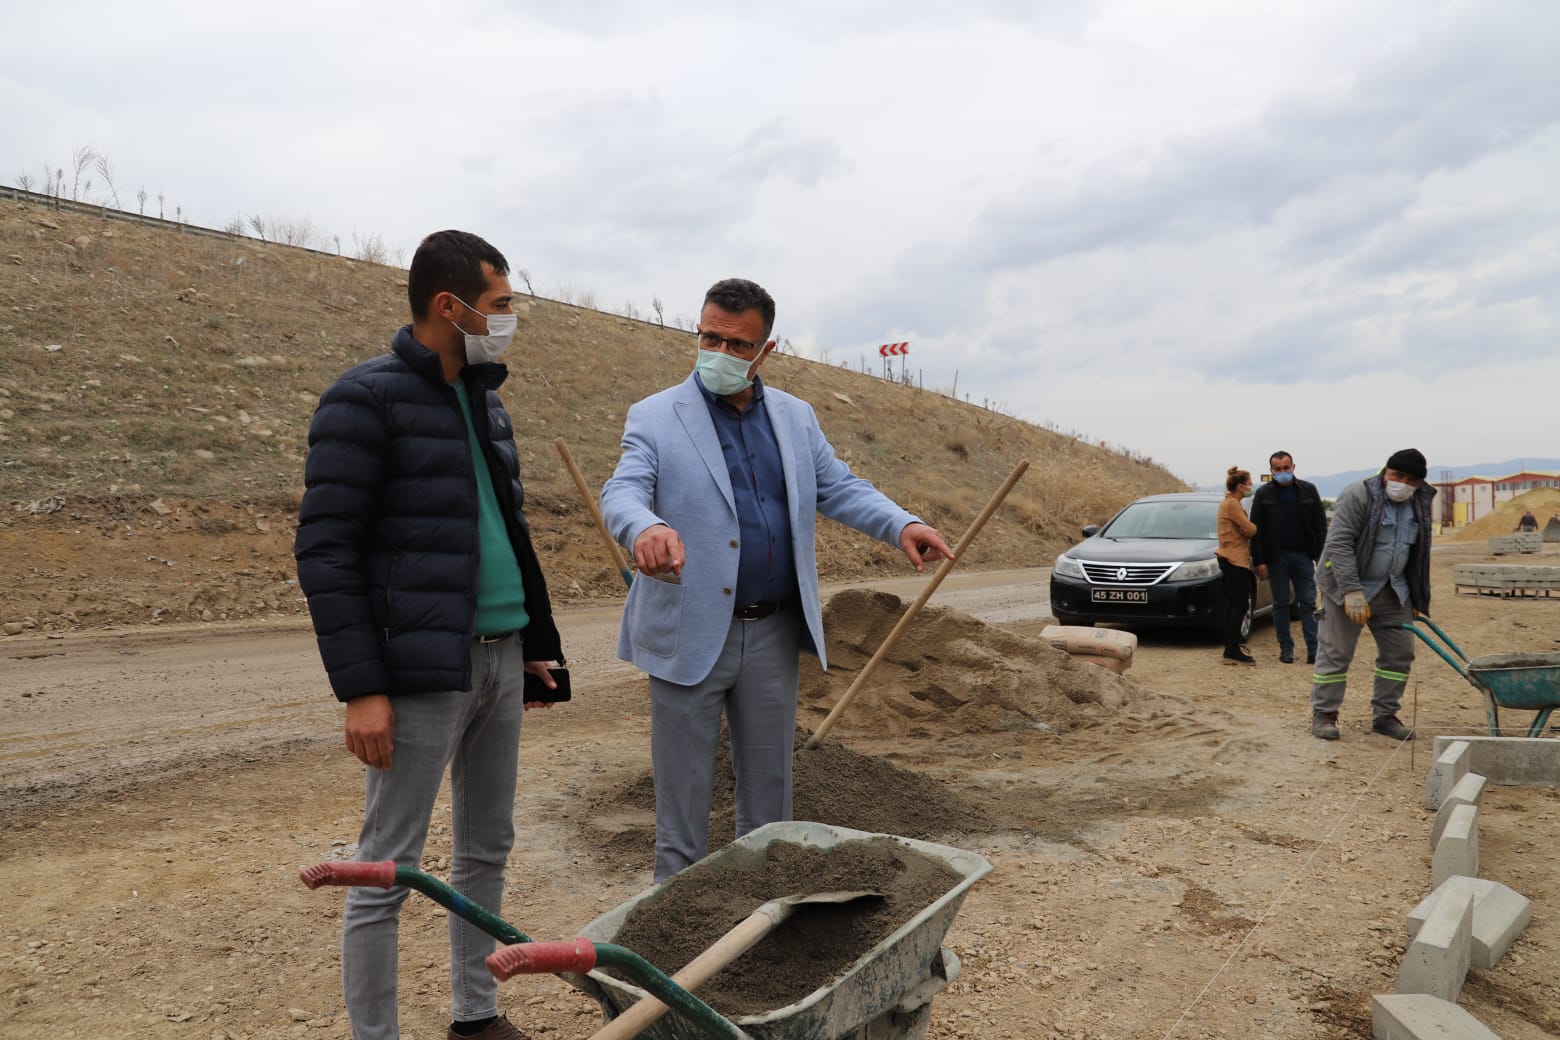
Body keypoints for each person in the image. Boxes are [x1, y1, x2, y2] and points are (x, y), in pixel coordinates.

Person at [294, 230, 563, 1040]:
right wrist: (363, 689)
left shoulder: (485, 399)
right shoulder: (364, 399)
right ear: (449, 306)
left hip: (502, 657)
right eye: (501, 304)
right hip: (418, 676)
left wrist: (535, 639)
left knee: (487, 850)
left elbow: (503, 532)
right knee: (388, 869)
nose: (510, 318)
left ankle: (475, 1018)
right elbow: (325, 549)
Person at [600, 277, 955, 882]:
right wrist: (644, 529)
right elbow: (623, 490)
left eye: (736, 345)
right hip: (688, 631)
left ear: (767, 350)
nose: (719, 354)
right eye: (709, 337)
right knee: (681, 809)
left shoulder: (795, 418)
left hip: (771, 632)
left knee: (770, 804)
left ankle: (763, 916)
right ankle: (673, 939)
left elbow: (838, 487)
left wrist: (902, 525)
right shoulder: (656, 416)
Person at [1310, 449, 1435, 742]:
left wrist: (1417, 597)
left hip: (1393, 590)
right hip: (1347, 587)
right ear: (1386, 472)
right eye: (1397, 476)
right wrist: (1352, 591)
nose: (1403, 483)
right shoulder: (1359, 494)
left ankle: (1385, 715)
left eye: (1411, 479)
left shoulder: (1420, 501)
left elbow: (1419, 552)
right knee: (1336, 653)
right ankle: (1324, 713)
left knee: (1399, 654)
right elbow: (1339, 544)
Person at [1250, 451, 1328, 664]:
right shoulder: (1263, 494)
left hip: (1303, 556)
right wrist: (1260, 560)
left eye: (1286, 468)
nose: (1282, 472)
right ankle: (1286, 648)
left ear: (1293, 467)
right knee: (1281, 603)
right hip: (1276, 559)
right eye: (1278, 469)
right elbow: (1255, 530)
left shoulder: (1309, 490)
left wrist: (1321, 556)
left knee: (1309, 603)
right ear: (1272, 471)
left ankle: (1314, 649)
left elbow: (1320, 525)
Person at [1215, 467, 1259, 665]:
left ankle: (1230, 648)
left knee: (1235, 604)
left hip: (1231, 557)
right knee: (1239, 605)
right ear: (1240, 486)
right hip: (1234, 559)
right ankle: (1231, 650)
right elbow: (1249, 529)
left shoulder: (1230, 503)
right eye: (1249, 483)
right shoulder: (1232, 504)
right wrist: (1252, 527)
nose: (1250, 486)